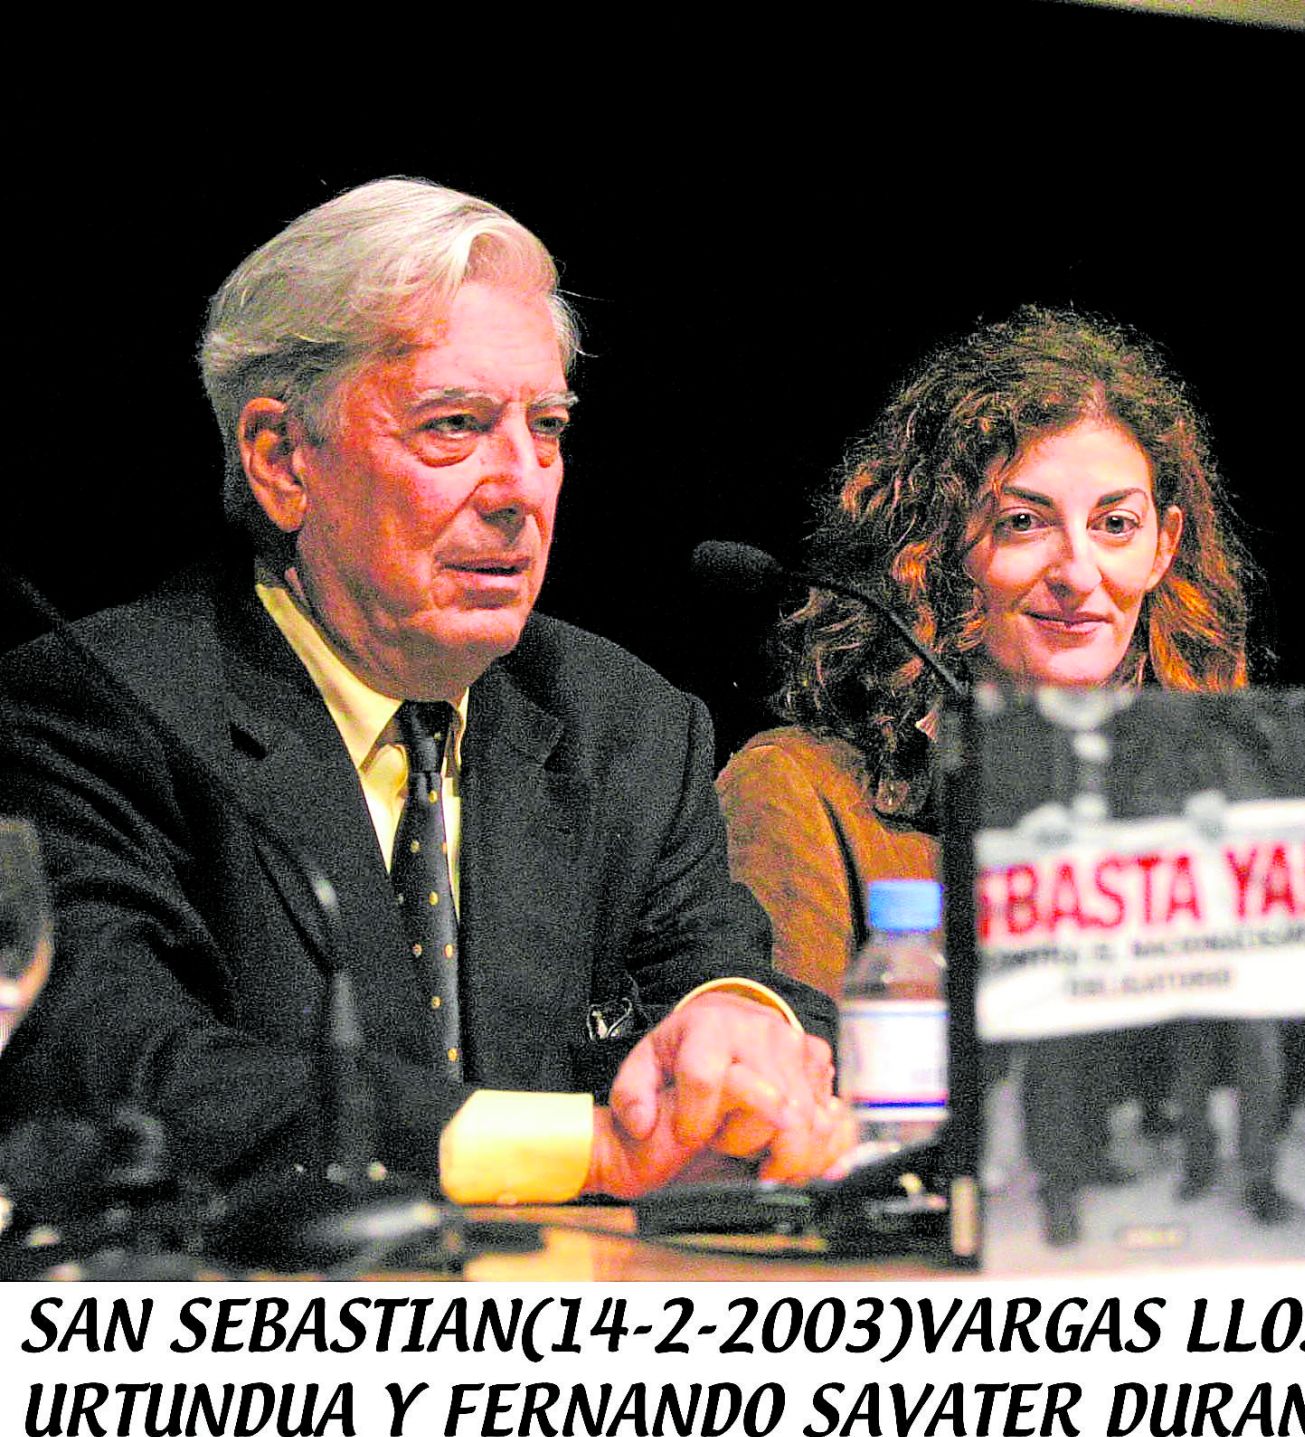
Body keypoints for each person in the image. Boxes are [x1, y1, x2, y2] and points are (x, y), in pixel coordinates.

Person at [0, 178, 848, 1208]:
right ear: (280, 458)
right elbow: (118, 1072)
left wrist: (739, 1022)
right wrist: (587, 1149)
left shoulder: (624, 723)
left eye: (547, 426)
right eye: (455, 425)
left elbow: (720, 971)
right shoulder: (105, 709)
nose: (520, 484)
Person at [718, 307, 1305, 1235]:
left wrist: (1303, 1085)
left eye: (1115, 524)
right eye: (1023, 523)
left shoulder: (1192, 810)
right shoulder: (798, 792)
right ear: (931, 550)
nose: (1078, 571)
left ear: (1163, 545)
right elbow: (804, 1127)